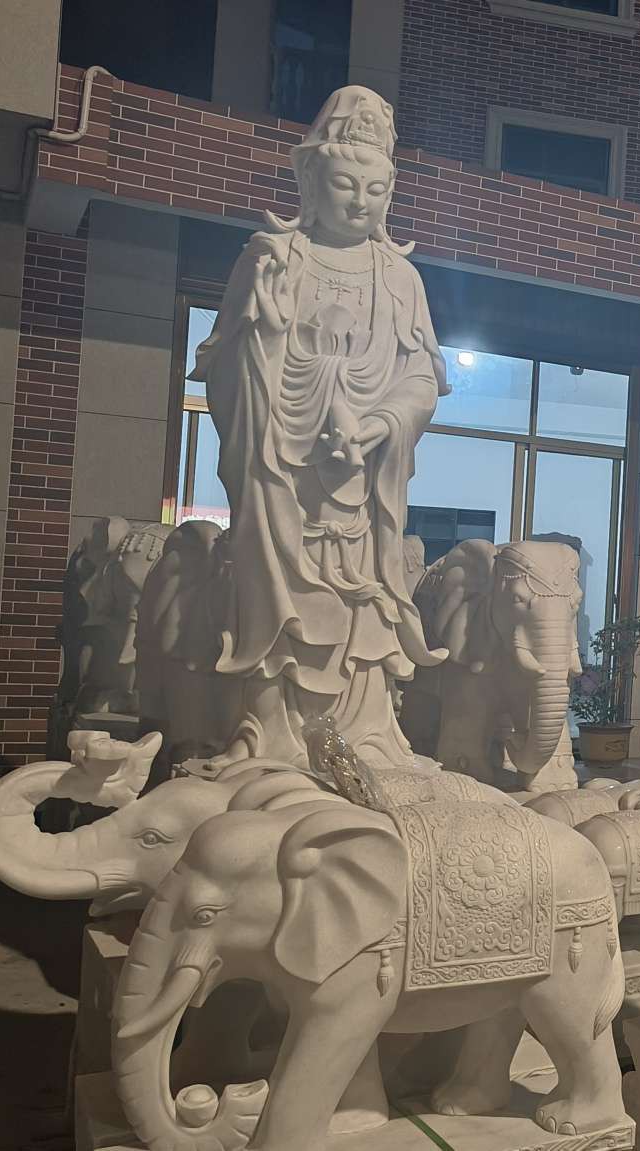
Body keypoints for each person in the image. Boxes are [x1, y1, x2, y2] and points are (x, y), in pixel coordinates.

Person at [190, 86, 446, 769]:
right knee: (280, 595)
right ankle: (271, 732)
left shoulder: (400, 279)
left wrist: (381, 423)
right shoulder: (275, 258)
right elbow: (224, 369)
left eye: (376, 189)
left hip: (361, 485)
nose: (361, 201)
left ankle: (366, 735)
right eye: (344, 184)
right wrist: (266, 337)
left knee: (365, 602)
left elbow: (422, 378)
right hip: (285, 475)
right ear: (309, 180)